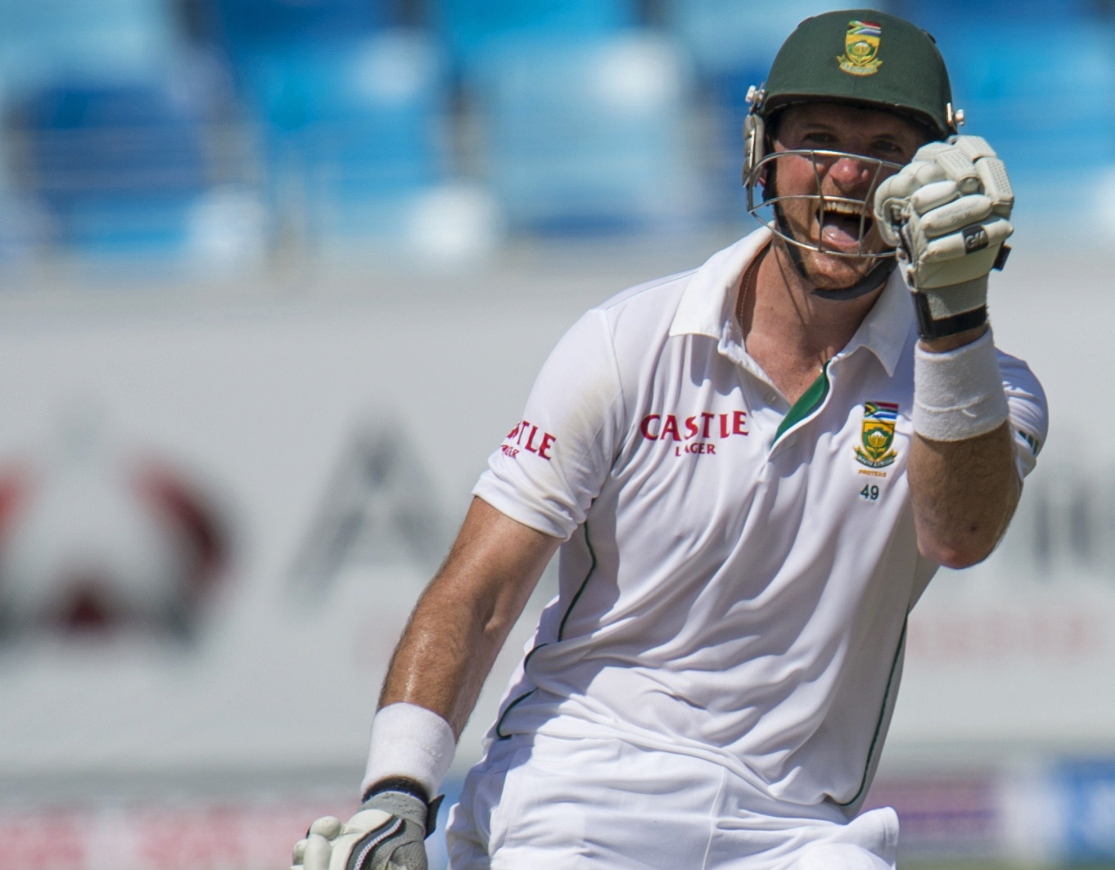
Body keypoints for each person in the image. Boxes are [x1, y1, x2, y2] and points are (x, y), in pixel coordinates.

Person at [292, 9, 1047, 869]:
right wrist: (396, 794)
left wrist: (954, 318)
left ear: (939, 176)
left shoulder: (985, 383)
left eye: (883, 149)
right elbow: (482, 591)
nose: (845, 171)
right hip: (579, 792)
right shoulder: (627, 343)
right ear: (763, 154)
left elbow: (959, 534)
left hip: (794, 827)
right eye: (819, 138)